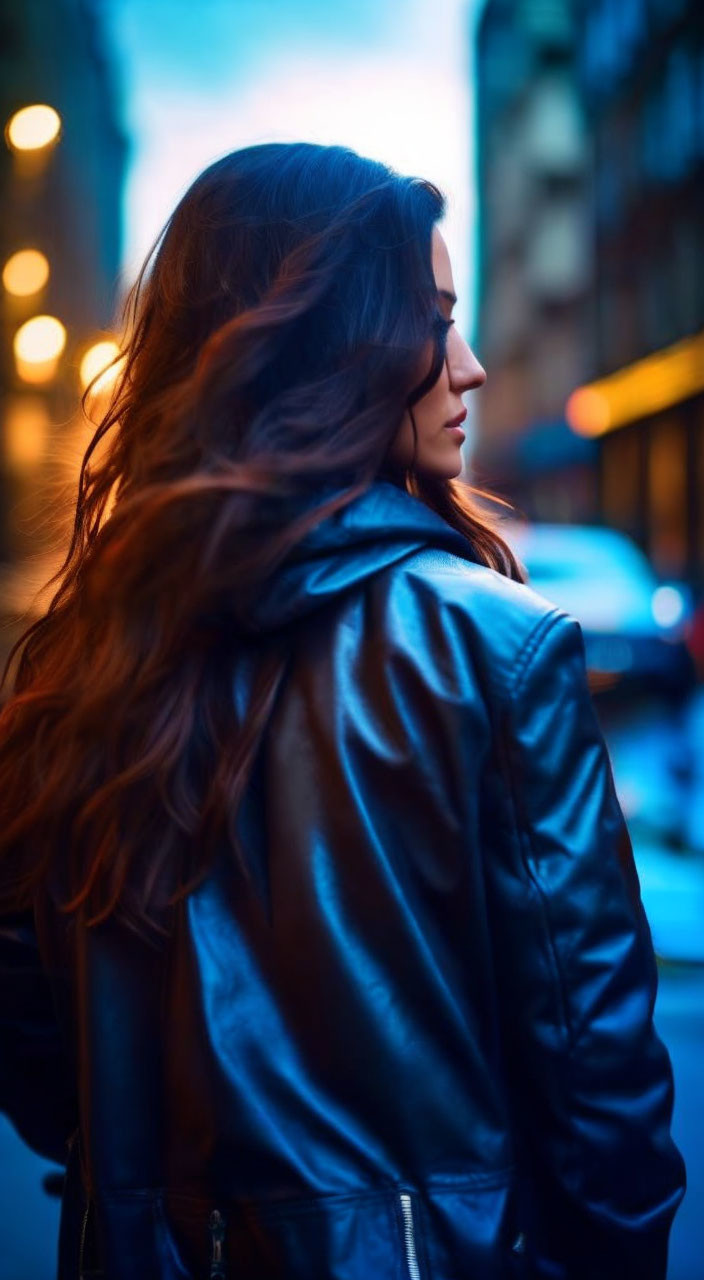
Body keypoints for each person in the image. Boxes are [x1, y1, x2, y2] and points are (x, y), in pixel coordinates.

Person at [0, 142, 685, 1280]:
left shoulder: (87, 654)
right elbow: (592, 1084)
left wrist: (143, 1166)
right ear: (337, 344)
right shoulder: (495, 650)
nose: (467, 367)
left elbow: (29, 1023)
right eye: (433, 320)